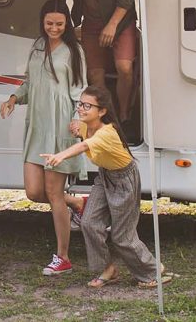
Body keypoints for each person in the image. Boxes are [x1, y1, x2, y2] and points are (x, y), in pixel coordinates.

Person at [41, 86, 172, 290]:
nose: (81, 109)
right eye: (80, 104)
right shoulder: (86, 126)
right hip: (105, 177)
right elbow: (80, 131)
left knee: (122, 236)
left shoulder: (107, 132)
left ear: (101, 111)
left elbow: (84, 146)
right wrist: (76, 127)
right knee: (89, 222)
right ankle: (107, 269)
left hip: (124, 180)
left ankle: (151, 270)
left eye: (87, 106)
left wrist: (61, 155)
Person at [0, 0, 88, 276]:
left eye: (59, 24)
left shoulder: (75, 50)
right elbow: (29, 81)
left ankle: (63, 256)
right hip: (37, 125)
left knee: (52, 192)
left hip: (60, 124)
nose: (53, 28)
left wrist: (78, 119)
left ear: (67, 24)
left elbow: (80, 89)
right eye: (49, 23)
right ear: (42, 21)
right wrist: (14, 97)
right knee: (33, 191)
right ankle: (75, 202)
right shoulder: (36, 46)